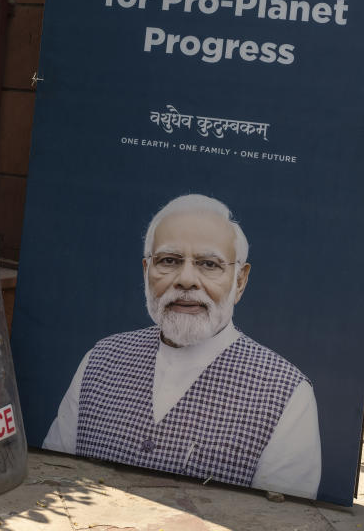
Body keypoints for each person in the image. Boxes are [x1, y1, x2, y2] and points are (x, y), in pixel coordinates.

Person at [43, 193, 321, 498]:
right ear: (146, 270)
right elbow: (55, 477)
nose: (186, 279)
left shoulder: (287, 394)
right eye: (169, 261)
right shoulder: (100, 360)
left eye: (209, 264)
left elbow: (281, 520)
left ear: (239, 280)